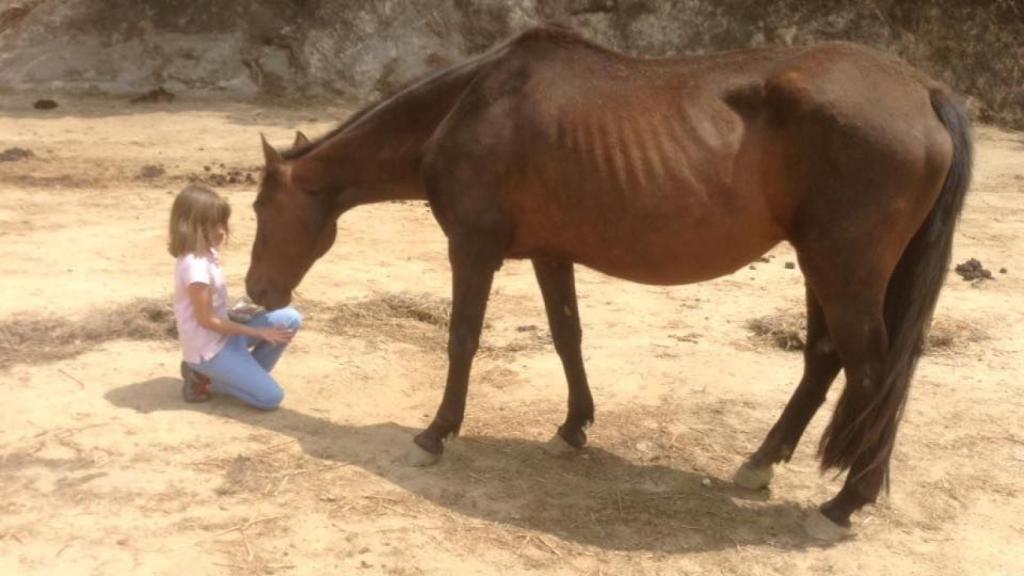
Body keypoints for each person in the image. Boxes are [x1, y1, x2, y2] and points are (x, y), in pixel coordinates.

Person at [167, 184, 301, 409]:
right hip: (209, 349)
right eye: (213, 225)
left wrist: (239, 313)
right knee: (270, 398)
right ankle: (205, 379)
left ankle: (240, 374)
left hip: (225, 338)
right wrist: (257, 331)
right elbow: (207, 320)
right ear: (190, 226)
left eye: (222, 223)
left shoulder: (207, 253)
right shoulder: (195, 267)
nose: (221, 231)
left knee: (290, 319)